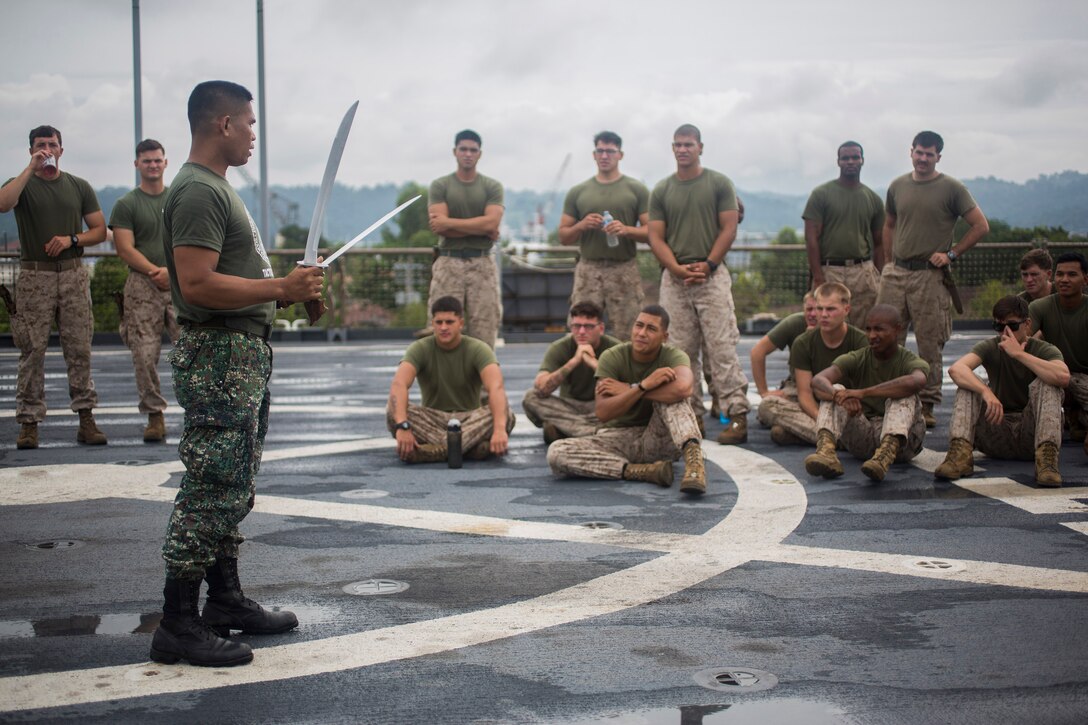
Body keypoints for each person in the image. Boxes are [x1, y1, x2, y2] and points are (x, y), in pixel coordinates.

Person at [149, 80, 325, 668]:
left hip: (241, 351)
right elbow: (196, 284)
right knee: (213, 483)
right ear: (222, 124)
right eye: (248, 123)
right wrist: (280, 288)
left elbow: (233, 276)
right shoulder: (199, 192)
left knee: (234, 479)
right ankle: (178, 621)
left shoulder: (217, 189)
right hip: (220, 354)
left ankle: (222, 600)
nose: (253, 133)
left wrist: (290, 294)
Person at [0, 125, 108, 449]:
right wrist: (30, 169)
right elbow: (4, 204)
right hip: (35, 276)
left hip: (73, 274)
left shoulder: (78, 186)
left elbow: (100, 230)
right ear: (31, 150)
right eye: (40, 145)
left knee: (79, 349)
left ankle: (86, 419)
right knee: (32, 350)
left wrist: (71, 239)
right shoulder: (22, 184)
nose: (47, 149)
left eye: (52, 144)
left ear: (62, 149)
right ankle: (29, 422)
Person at [877, 130, 989, 428]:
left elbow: (980, 226)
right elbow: (889, 224)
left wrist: (951, 254)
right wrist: (889, 262)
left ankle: (926, 404)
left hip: (930, 275)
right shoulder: (897, 185)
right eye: (919, 152)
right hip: (896, 273)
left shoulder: (952, 188)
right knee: (886, 337)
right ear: (910, 152)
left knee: (929, 342)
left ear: (938, 156)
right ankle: (887, 398)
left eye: (930, 154)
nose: (923, 158)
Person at [647, 124, 748, 445]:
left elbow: (728, 227)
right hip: (675, 280)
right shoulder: (662, 190)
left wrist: (709, 264)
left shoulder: (718, 183)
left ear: (700, 147)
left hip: (712, 276)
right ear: (672, 148)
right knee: (679, 350)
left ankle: (736, 415)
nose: (682, 150)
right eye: (677, 145)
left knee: (721, 347)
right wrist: (675, 268)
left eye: (688, 144)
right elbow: (655, 235)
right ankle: (692, 416)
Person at [547, 305, 708, 494]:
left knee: (675, 398)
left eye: (651, 328)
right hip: (619, 438)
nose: (641, 333)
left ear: (665, 337)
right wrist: (642, 386)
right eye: (638, 326)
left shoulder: (673, 356)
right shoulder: (612, 357)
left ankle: (694, 464)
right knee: (556, 453)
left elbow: (684, 388)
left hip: (658, 437)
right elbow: (604, 412)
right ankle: (640, 472)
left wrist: (630, 388)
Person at [935, 296, 1066, 486]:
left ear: (1027, 324)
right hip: (997, 430)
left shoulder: (1043, 349)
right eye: (998, 326)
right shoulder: (991, 346)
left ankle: (1047, 463)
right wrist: (986, 392)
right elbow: (957, 369)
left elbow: (1063, 376)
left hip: (1031, 434)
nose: (1005, 332)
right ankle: (959, 457)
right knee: (969, 385)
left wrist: (1019, 354)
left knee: (1048, 383)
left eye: (1012, 326)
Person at [803, 305, 929, 482]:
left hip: (903, 444)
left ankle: (885, 455)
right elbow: (818, 380)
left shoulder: (910, 360)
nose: (871, 336)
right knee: (836, 389)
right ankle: (826, 453)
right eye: (868, 329)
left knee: (904, 392)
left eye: (879, 329)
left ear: (897, 330)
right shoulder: (858, 357)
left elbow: (917, 381)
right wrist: (840, 397)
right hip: (864, 439)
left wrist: (863, 393)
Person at [109, 139, 180, 442]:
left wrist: (171, 271)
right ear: (137, 165)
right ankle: (155, 415)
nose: (153, 165)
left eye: (157, 160)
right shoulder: (127, 204)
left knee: (193, 348)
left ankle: (200, 412)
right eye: (146, 161)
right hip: (141, 284)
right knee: (144, 352)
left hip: (180, 281)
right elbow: (124, 248)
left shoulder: (179, 199)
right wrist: (155, 271)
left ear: (166, 163)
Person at [388, 295, 514, 463]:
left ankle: (437, 451)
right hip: (432, 420)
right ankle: (468, 448)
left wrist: (499, 429)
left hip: (469, 419)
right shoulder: (419, 348)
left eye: (449, 322)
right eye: (439, 322)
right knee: (393, 410)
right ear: (432, 324)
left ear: (461, 323)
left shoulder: (478, 349)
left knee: (506, 414)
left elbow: (496, 387)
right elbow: (399, 384)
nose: (443, 327)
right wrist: (403, 425)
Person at [558, 131, 650, 340]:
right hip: (589, 269)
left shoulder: (636, 190)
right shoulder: (578, 191)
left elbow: (652, 233)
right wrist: (581, 225)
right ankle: (583, 370)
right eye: (600, 151)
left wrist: (626, 229)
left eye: (610, 151)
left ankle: (625, 373)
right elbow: (564, 236)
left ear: (620, 155)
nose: (605, 156)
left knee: (629, 332)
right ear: (594, 154)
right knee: (583, 330)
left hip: (623, 268)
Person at [762, 283, 868, 446]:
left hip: (845, 404)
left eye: (830, 309)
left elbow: (863, 393)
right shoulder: (803, 342)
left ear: (846, 310)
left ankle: (809, 436)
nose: (823, 315)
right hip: (815, 405)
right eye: (819, 309)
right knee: (768, 406)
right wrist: (823, 423)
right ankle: (834, 439)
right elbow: (805, 394)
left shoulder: (861, 342)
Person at [427, 130, 504, 348]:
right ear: (455, 152)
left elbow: (491, 224)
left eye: (473, 150)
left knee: (484, 329)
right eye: (463, 149)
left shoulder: (492, 186)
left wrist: (450, 223)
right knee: (444, 327)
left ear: (480, 154)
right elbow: (438, 227)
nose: (468, 154)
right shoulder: (441, 185)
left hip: (482, 264)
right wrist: (480, 227)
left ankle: (483, 381)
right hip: (448, 262)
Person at [803, 141, 885, 327]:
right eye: (845, 158)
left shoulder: (873, 199)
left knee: (864, 327)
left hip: (862, 272)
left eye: (855, 157)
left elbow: (880, 243)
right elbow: (811, 238)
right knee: (827, 326)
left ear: (862, 160)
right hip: (830, 270)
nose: (850, 162)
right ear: (838, 162)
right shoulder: (821, 194)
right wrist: (818, 277)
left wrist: (879, 278)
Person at [522, 301, 620, 443]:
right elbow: (541, 387)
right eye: (576, 326)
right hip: (569, 407)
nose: (581, 332)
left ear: (601, 328)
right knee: (531, 397)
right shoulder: (560, 347)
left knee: (634, 402)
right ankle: (591, 432)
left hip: (600, 407)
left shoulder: (615, 348)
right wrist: (574, 361)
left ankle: (565, 429)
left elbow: (624, 389)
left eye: (588, 326)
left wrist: (594, 364)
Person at [1029, 252, 1088, 454]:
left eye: (1072, 274)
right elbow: (1021, 341)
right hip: (1055, 376)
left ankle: (1076, 416)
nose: (1064, 280)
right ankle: (1047, 452)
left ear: (1085, 279)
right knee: (1043, 386)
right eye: (1060, 274)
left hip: (1085, 381)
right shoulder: (1039, 307)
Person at [751, 291, 818, 411]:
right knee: (767, 406)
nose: (813, 314)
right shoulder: (794, 323)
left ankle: (799, 423)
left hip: (828, 389)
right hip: (796, 387)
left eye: (818, 309)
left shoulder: (841, 327)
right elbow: (757, 352)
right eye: (809, 309)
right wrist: (764, 392)